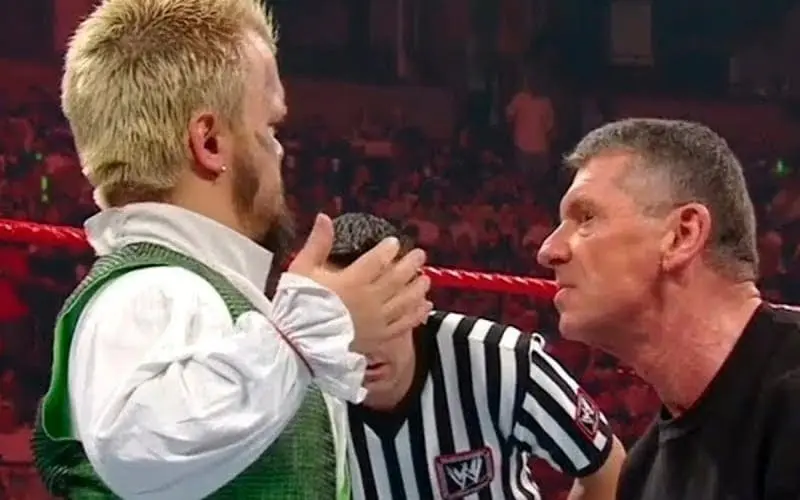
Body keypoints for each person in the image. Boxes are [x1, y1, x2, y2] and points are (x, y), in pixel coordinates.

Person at [30, 0, 433, 499]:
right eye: (270, 128)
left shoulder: (207, 294)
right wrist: (311, 329)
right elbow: (135, 445)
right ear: (210, 143)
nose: (280, 150)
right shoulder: (153, 289)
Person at [537, 118, 800, 499]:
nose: (549, 251)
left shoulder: (790, 400)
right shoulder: (642, 472)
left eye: (586, 217)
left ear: (682, 235)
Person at [328, 213, 625, 500]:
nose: (365, 347)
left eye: (387, 317)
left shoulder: (502, 359)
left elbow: (605, 464)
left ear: (417, 301)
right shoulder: (308, 388)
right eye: (344, 323)